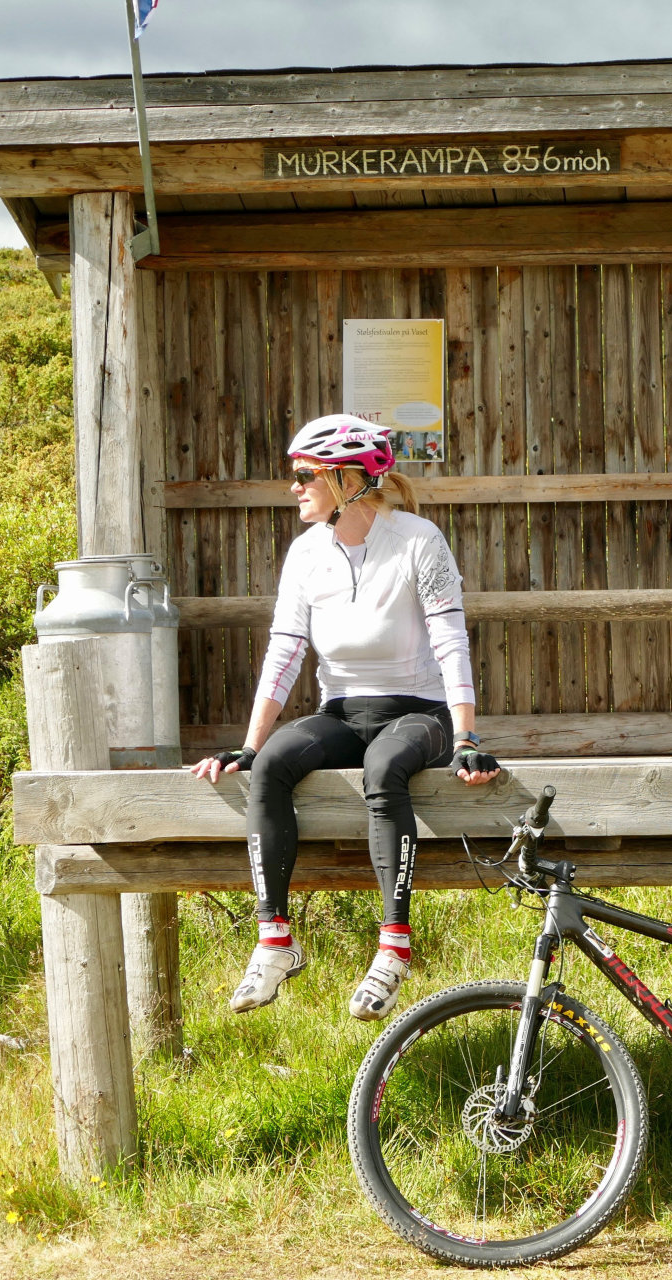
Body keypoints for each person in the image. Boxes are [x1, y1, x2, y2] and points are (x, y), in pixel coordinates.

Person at [191, 414, 500, 1021]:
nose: (294, 487)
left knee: (386, 767)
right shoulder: (305, 555)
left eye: (305, 475)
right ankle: (275, 941)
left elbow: (451, 642)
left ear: (347, 479)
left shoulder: (417, 540)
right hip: (342, 710)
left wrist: (465, 737)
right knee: (275, 763)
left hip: (420, 712)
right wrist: (250, 746)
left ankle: (394, 946)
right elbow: (284, 652)